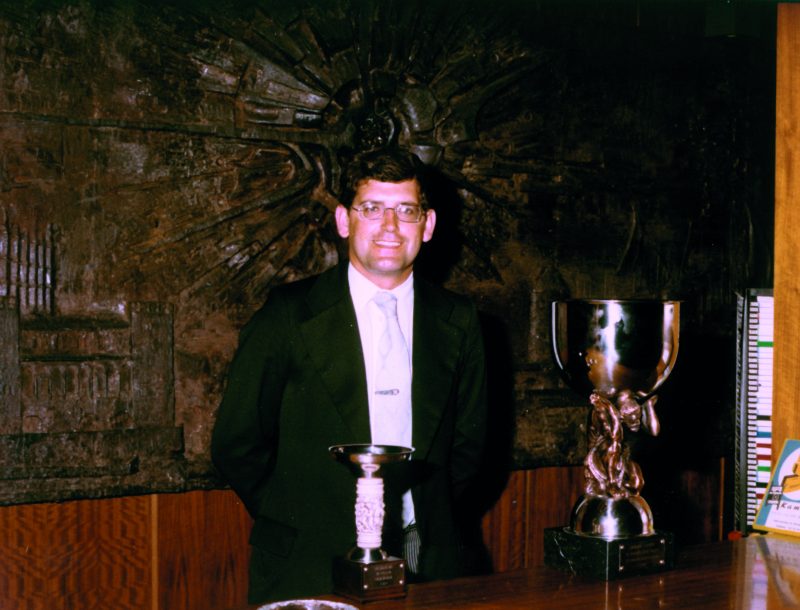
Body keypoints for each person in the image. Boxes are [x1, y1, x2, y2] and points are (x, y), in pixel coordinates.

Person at [210, 148, 488, 604]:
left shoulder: (460, 320)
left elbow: (469, 450)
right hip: (308, 559)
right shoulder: (287, 316)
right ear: (344, 221)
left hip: (427, 558)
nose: (390, 227)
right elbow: (236, 442)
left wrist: (416, 517)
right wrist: (295, 518)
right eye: (372, 209)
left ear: (429, 224)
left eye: (406, 210)